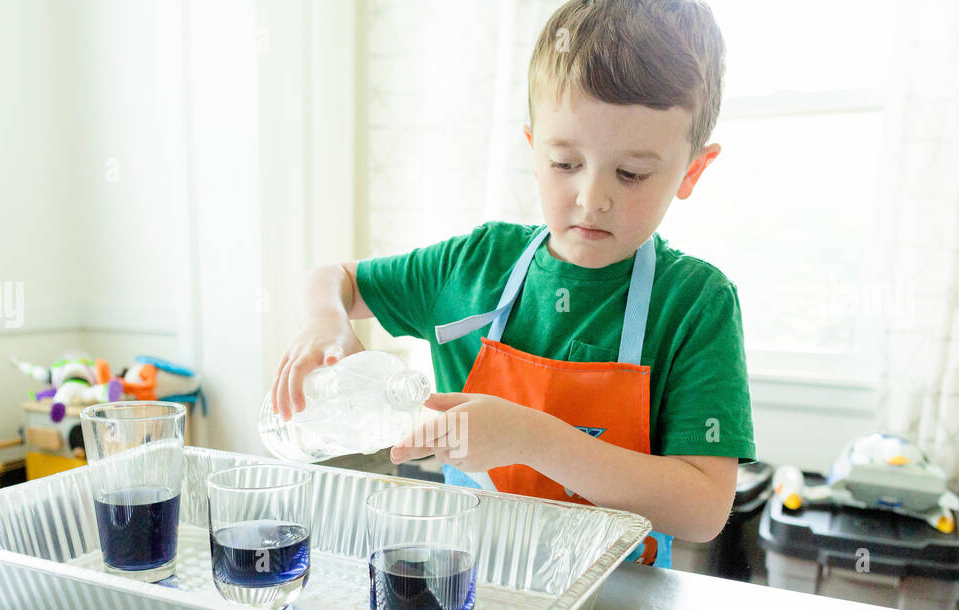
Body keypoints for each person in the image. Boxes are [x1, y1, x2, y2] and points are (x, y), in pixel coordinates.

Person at [271, 0, 755, 568]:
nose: (591, 197)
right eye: (565, 163)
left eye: (631, 173)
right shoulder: (475, 265)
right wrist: (326, 321)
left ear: (692, 171)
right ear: (533, 149)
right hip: (468, 589)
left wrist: (532, 439)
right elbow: (337, 280)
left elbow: (703, 509)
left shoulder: (696, 304)